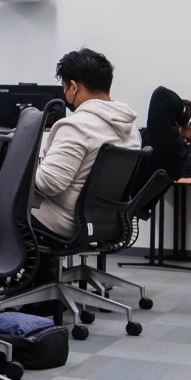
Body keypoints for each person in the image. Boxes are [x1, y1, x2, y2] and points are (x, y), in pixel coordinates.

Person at [32, 48, 142, 241]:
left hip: (64, 222)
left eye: (64, 88)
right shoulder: (132, 131)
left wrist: (23, 169)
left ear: (73, 87)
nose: (64, 93)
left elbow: (49, 184)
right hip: (107, 223)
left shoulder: (77, 126)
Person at [133, 85, 191, 191]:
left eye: (189, 140)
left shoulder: (169, 147)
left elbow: (161, 95)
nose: (188, 143)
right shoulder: (178, 158)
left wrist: (188, 121)